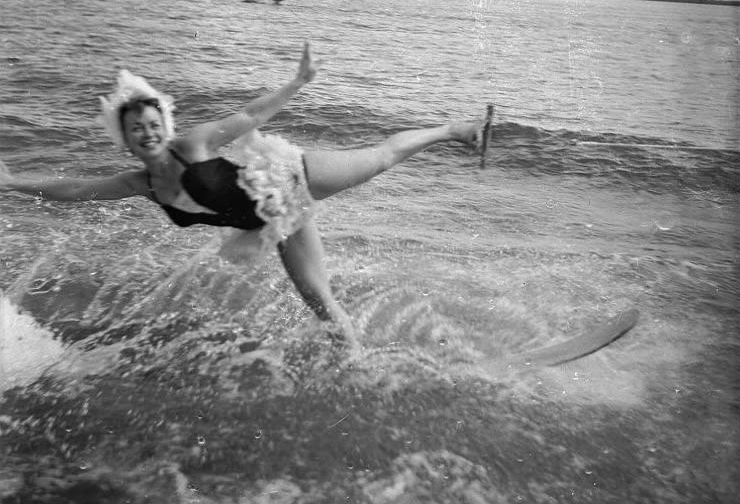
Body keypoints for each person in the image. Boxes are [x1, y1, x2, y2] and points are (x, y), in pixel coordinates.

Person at [0, 43, 484, 343]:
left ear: (164, 125)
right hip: (274, 221)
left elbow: (249, 117)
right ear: (124, 138)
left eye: (153, 124)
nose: (147, 133)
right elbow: (76, 189)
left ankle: (452, 129)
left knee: (378, 159)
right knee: (319, 300)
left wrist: (298, 81)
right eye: (136, 129)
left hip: (290, 177)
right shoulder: (141, 184)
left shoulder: (191, 144)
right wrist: (13, 182)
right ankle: (358, 364)